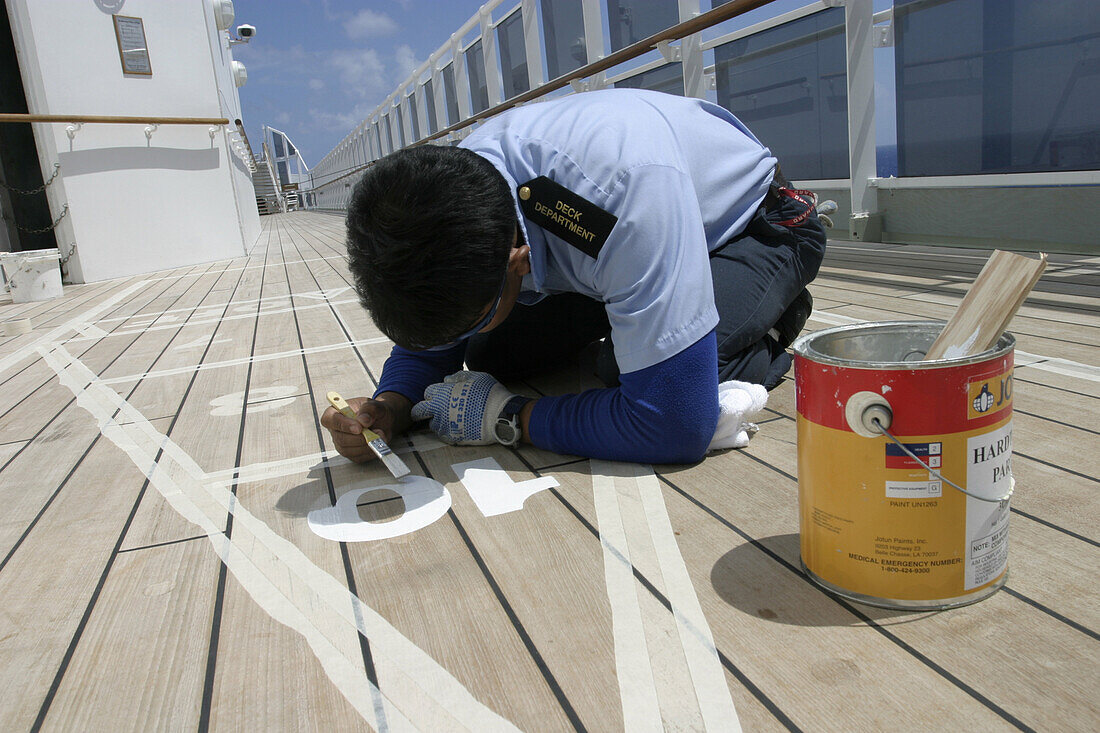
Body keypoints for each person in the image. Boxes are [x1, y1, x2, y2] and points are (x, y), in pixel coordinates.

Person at [321, 88, 826, 465]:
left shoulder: (623, 197)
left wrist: (509, 416)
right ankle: (636, 310)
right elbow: (435, 326)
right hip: (620, 253)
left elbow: (673, 427)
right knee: (494, 351)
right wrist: (392, 405)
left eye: (466, 319)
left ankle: (776, 320)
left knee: (625, 373)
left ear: (517, 261)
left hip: (754, 229)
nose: (447, 341)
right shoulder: (455, 191)